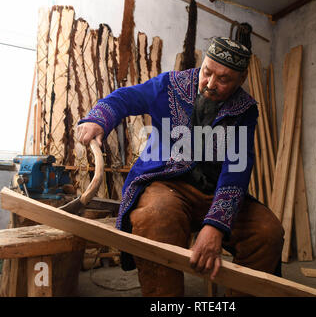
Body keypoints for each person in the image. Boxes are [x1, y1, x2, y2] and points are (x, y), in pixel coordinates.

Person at [76, 37, 284, 296]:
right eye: (207, 72)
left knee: (267, 233)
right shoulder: (171, 85)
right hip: (167, 183)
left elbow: (237, 168)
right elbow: (127, 97)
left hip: (215, 190)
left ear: (240, 80)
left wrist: (216, 225)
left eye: (224, 79)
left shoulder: (244, 109)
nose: (210, 84)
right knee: (155, 217)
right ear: (202, 65)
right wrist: (99, 119)